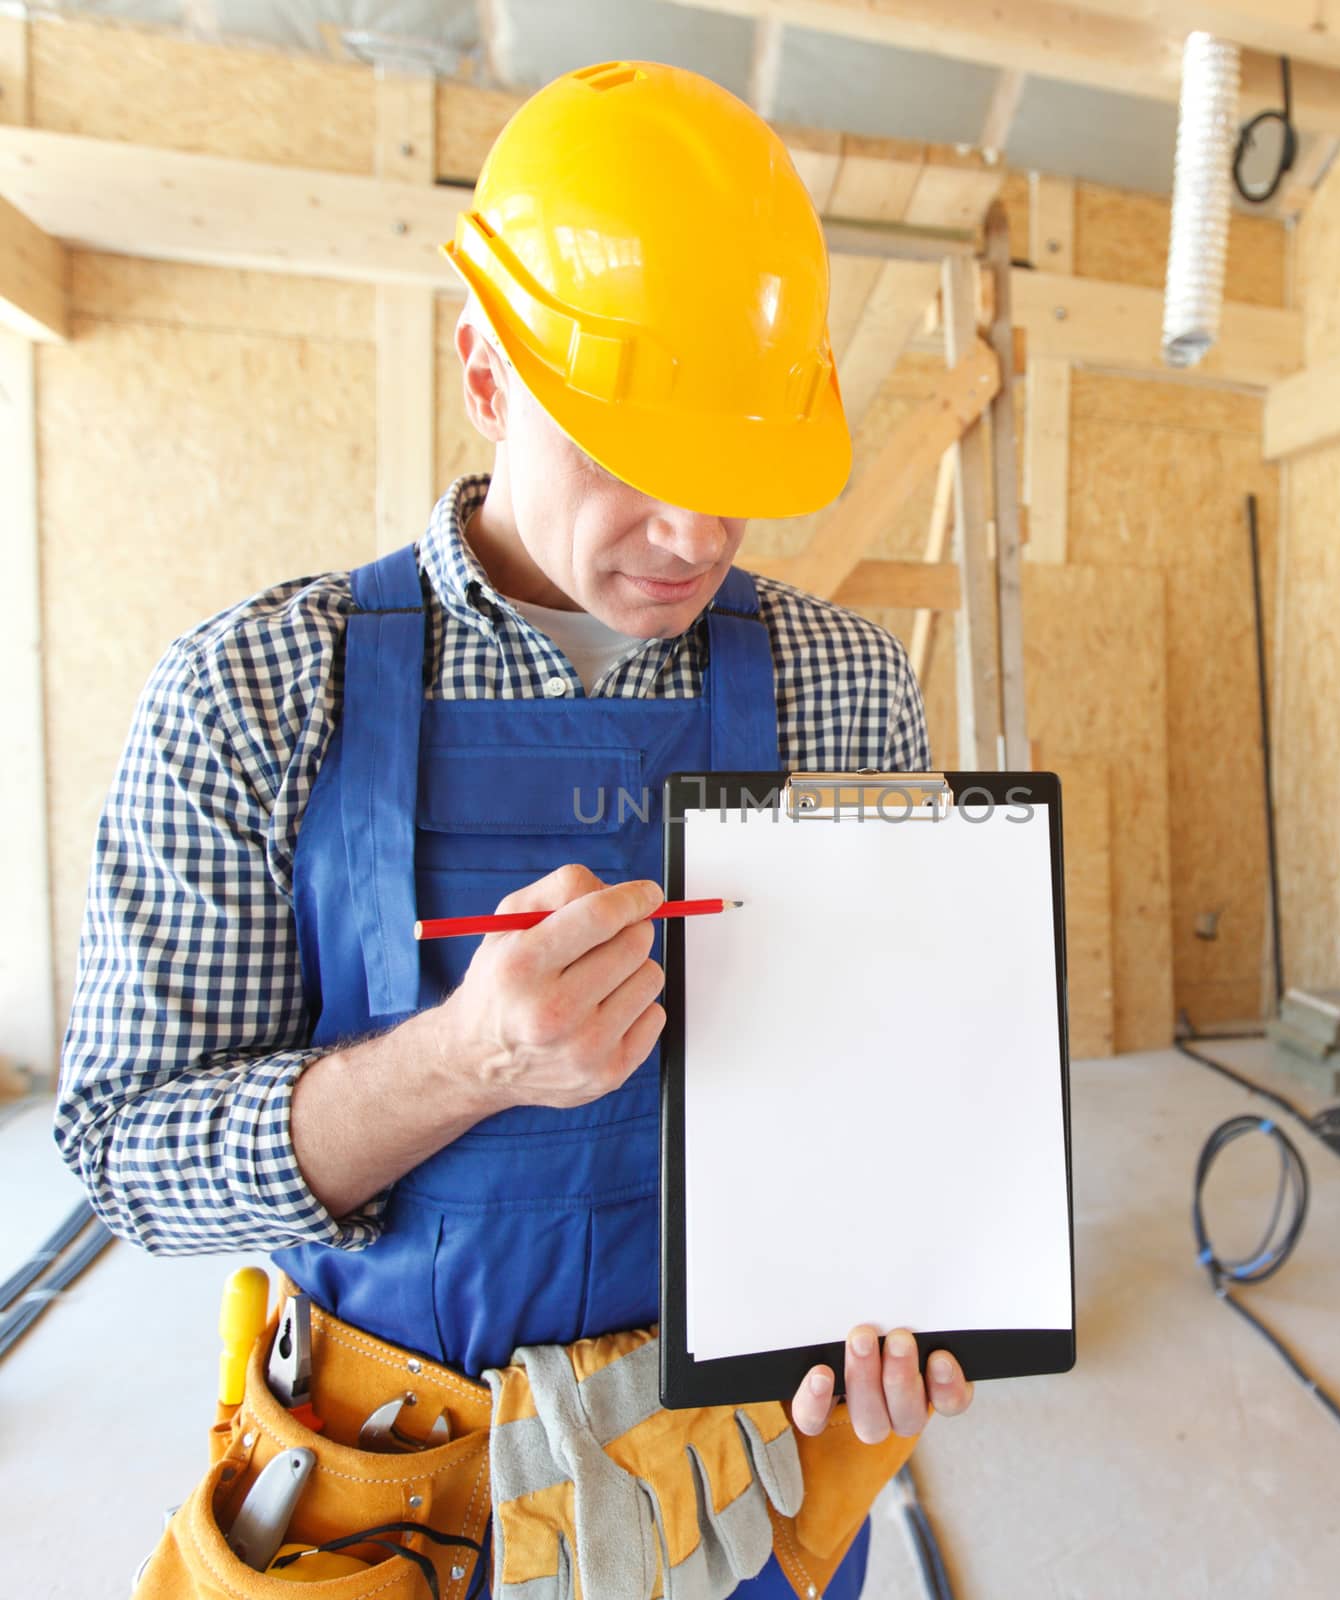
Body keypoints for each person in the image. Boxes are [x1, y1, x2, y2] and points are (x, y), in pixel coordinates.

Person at [56, 60, 972, 1598]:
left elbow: (893, 1096)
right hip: (388, 1500)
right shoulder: (256, 694)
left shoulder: (844, 686)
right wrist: (464, 1061)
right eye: (630, 456)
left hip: (726, 1482)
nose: (695, 537)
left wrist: (906, 1292)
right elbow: (129, 1161)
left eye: (736, 468)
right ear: (487, 377)